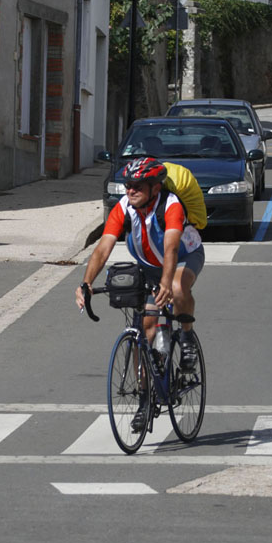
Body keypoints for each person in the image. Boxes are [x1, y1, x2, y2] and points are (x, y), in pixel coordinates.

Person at [75, 157, 205, 432]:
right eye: (127, 185)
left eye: (136, 186)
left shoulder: (170, 206)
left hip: (184, 257)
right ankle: (145, 402)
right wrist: (86, 283)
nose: (129, 190)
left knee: (180, 288)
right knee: (145, 330)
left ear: (155, 188)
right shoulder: (124, 207)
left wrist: (167, 283)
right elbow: (103, 247)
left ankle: (186, 335)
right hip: (148, 266)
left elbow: (171, 248)